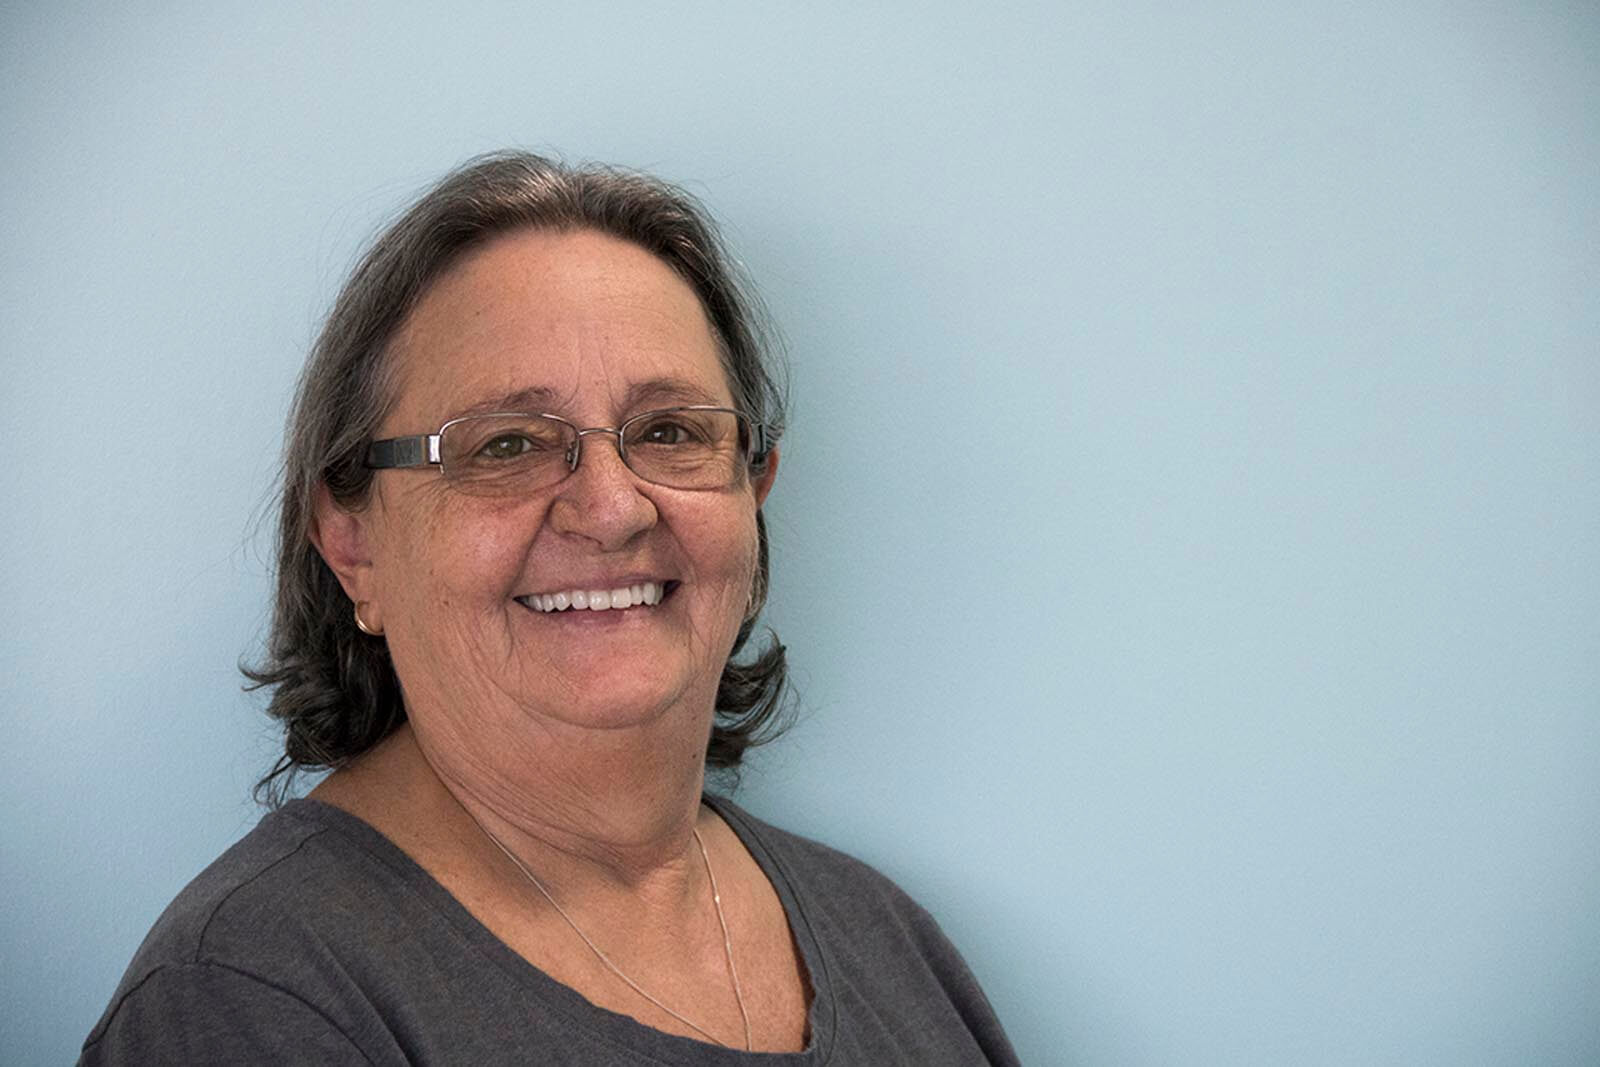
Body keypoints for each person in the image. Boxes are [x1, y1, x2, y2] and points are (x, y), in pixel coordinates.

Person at [79, 151, 1019, 1065]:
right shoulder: (248, 998)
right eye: (507, 445)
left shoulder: (884, 936)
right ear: (352, 541)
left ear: (753, 489)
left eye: (670, 431)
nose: (612, 509)